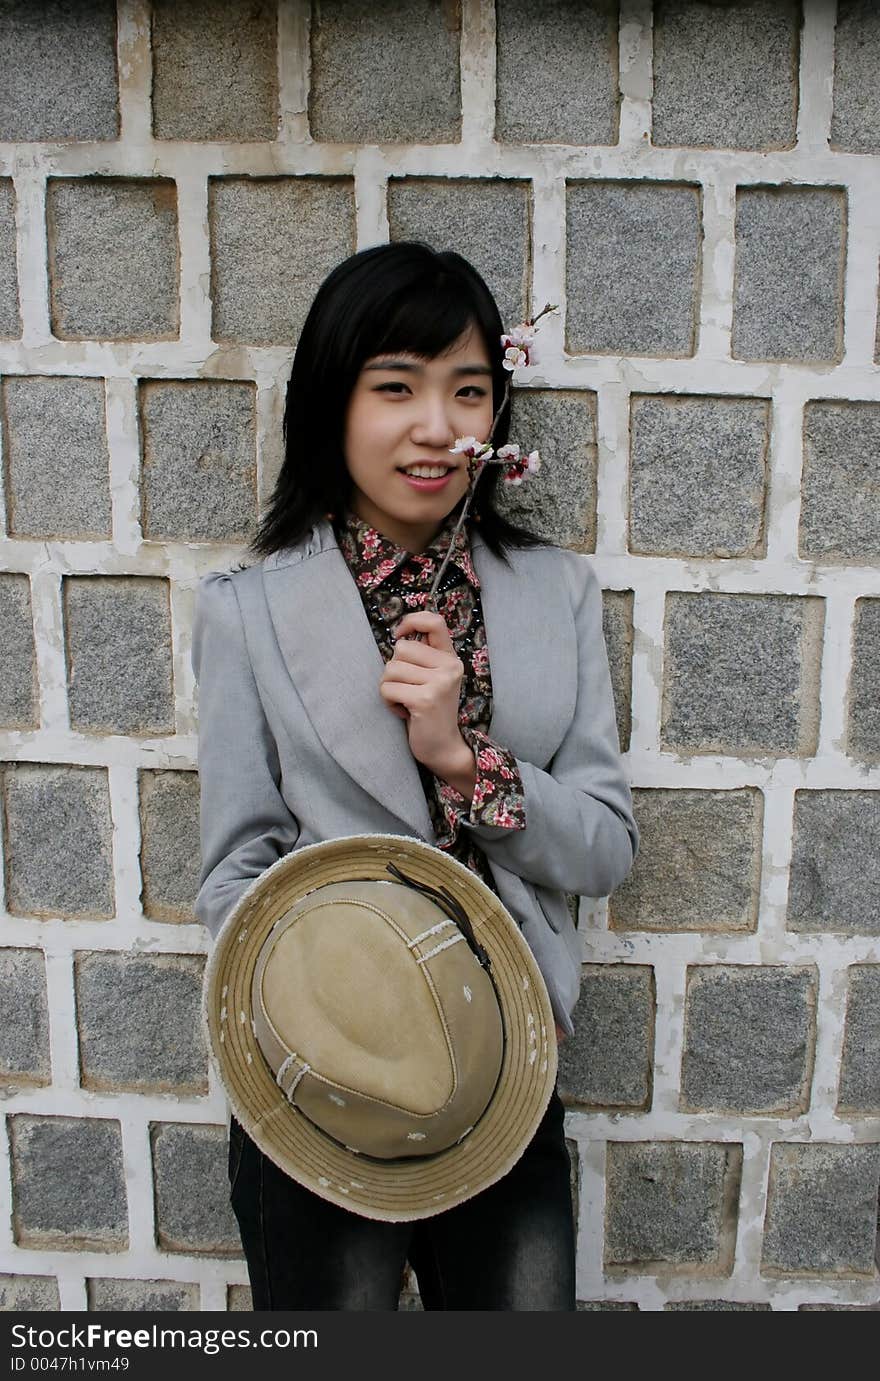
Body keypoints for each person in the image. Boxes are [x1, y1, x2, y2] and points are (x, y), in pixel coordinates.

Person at [192, 241, 638, 1310]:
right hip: (329, 1077)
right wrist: (322, 997)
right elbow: (233, 868)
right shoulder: (248, 613)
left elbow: (608, 845)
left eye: (468, 390)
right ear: (331, 403)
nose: (437, 427)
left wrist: (462, 759)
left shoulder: (555, 595)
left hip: (506, 1073)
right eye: (396, 386)